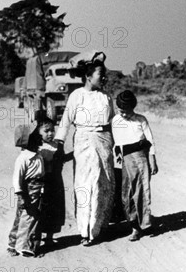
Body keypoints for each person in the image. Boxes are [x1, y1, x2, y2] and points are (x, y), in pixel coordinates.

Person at [55, 53, 115, 246]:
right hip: (83, 141)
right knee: (85, 184)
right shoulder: (76, 96)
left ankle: (99, 228)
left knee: (104, 183)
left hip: (104, 141)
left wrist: (119, 144)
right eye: (100, 74)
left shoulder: (106, 97)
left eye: (104, 74)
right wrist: (57, 144)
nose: (104, 78)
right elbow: (65, 122)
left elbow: (113, 122)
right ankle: (85, 230)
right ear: (88, 76)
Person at [112, 90, 158, 241]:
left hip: (140, 159)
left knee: (141, 192)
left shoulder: (141, 120)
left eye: (126, 111)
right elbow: (115, 143)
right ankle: (133, 224)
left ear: (133, 107)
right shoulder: (115, 121)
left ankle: (142, 225)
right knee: (127, 194)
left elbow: (150, 141)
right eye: (120, 111)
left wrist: (152, 160)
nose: (123, 114)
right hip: (124, 161)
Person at [8, 124, 45, 257]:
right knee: (26, 218)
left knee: (29, 217)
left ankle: (20, 245)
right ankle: (19, 246)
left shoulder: (37, 154)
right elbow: (17, 178)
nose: (40, 136)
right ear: (29, 141)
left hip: (38, 188)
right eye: (36, 135)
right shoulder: (23, 158)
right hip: (28, 191)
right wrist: (21, 195)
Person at [35, 117, 70, 246]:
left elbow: (63, 159)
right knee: (40, 210)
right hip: (42, 183)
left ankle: (49, 238)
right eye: (46, 131)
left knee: (55, 210)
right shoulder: (37, 147)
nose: (50, 133)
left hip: (56, 184)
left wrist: (76, 153)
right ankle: (37, 239)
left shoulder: (58, 146)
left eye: (52, 130)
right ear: (39, 132)